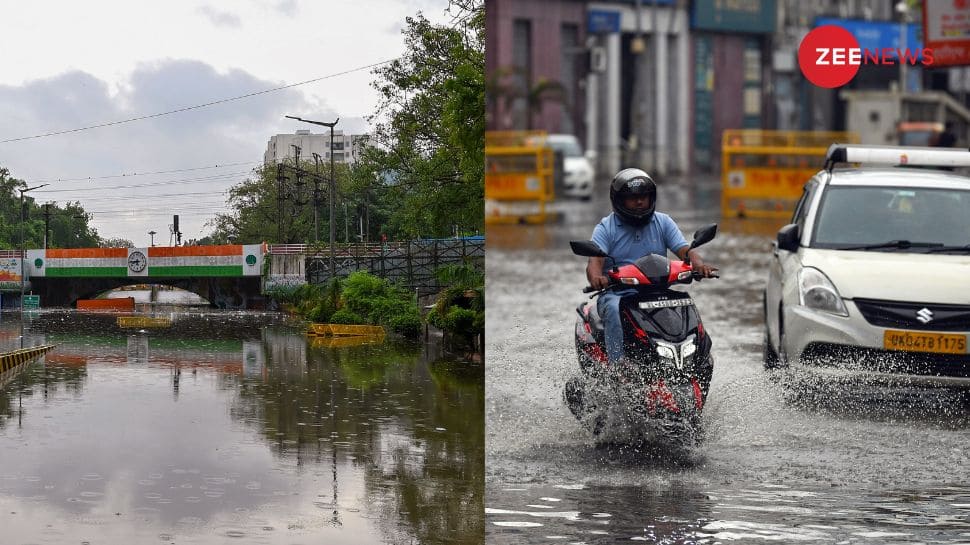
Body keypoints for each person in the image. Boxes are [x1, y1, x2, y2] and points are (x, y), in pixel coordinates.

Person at [585, 168, 718, 365]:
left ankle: (695, 361)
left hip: (657, 291)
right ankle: (617, 366)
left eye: (644, 197)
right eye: (633, 198)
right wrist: (597, 278)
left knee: (685, 302)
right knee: (612, 308)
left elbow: (685, 251)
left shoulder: (663, 222)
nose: (640, 202)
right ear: (619, 200)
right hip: (618, 293)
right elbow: (594, 263)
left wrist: (699, 265)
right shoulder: (606, 227)